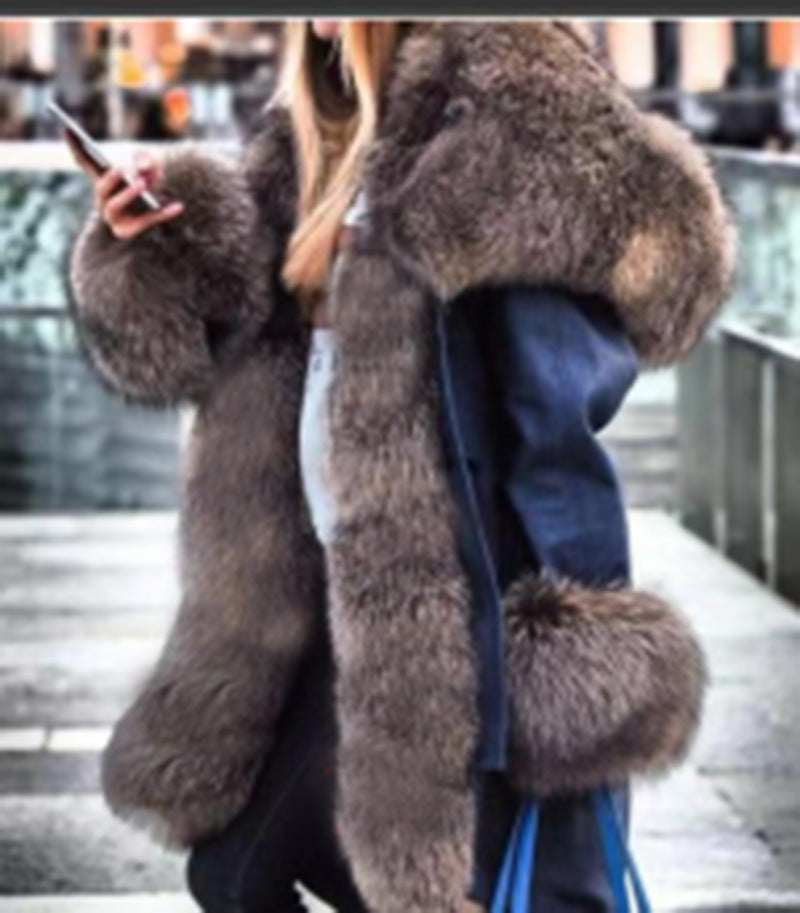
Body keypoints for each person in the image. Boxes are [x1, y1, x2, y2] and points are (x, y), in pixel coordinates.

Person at [64, 19, 735, 913]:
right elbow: (206, 346)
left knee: (341, 876)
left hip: (444, 612)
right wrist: (149, 242)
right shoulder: (314, 134)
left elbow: (615, 332)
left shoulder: (505, 95)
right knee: (237, 868)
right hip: (298, 589)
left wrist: (568, 634)